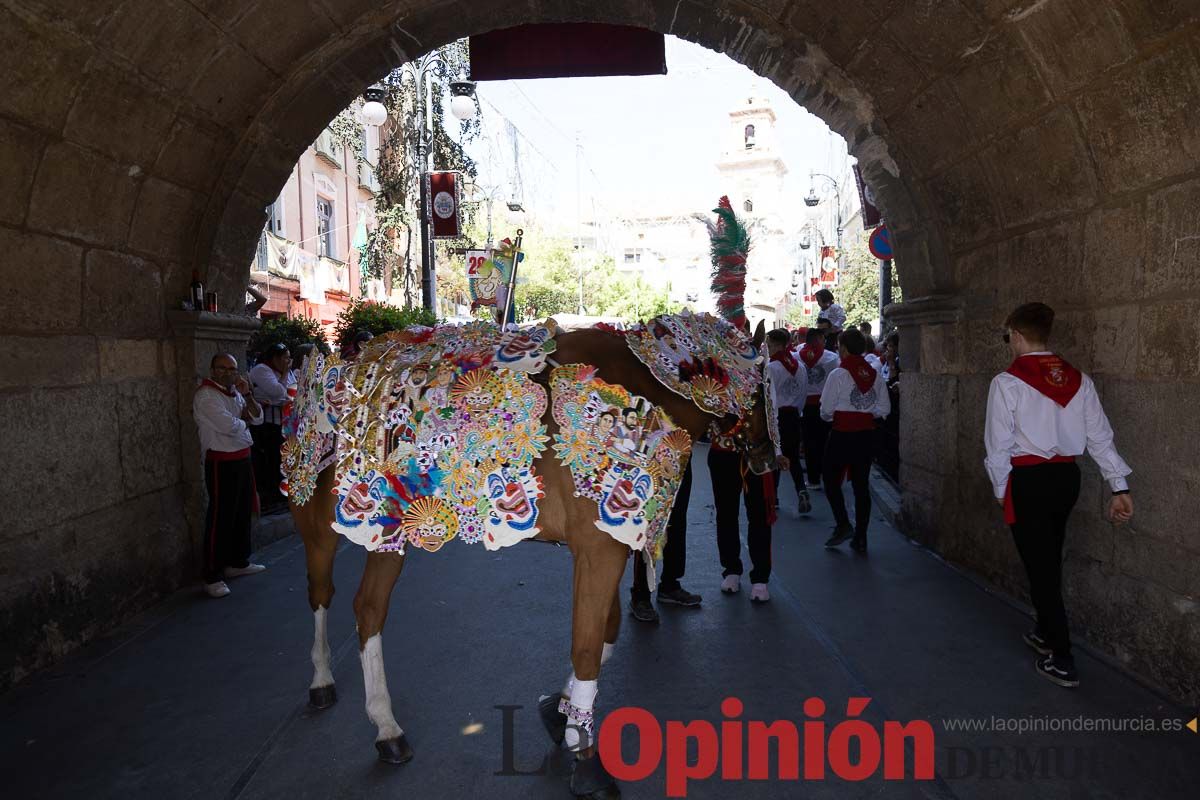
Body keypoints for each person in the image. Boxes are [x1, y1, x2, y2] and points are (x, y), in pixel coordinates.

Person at [984, 302, 1133, 689]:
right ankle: (1045, 630)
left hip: (1028, 480)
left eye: (1008, 337)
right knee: (1048, 554)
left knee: (1041, 568)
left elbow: (998, 444)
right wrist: (1119, 485)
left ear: (1016, 334)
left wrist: (1001, 489)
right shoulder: (1078, 380)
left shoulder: (1007, 383)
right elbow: (1100, 436)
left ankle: (1062, 657)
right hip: (1066, 477)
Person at [194, 354, 267, 598]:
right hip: (221, 462)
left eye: (232, 369)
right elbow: (229, 426)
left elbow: (257, 418)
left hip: (242, 457)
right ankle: (211, 574)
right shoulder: (206, 396)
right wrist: (243, 419)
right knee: (220, 517)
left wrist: (247, 396)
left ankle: (237, 561)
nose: (227, 373)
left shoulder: (236, 393)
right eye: (221, 368)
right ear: (212, 369)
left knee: (241, 512)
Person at [820, 328, 890, 553]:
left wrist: (844, 415)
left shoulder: (838, 375)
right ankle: (861, 536)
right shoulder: (875, 375)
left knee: (831, 481)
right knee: (861, 486)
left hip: (842, 435)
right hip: (866, 436)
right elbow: (884, 408)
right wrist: (866, 413)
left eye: (840, 346)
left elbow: (826, 411)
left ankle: (842, 523)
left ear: (844, 347)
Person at [709, 424, 787, 603]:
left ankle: (760, 577)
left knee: (759, 515)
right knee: (726, 512)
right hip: (723, 449)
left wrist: (777, 450)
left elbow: (770, 412)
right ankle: (731, 569)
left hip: (758, 452)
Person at [629, 457, 701, 623]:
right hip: (652, 454)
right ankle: (640, 596)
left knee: (677, 519)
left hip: (681, 452)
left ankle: (670, 584)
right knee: (649, 524)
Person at [766, 328, 811, 513]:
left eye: (769, 345)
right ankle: (801, 490)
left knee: (776, 455)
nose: (767, 348)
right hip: (793, 414)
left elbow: (768, 395)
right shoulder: (799, 366)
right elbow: (803, 393)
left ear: (777, 345)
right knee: (792, 455)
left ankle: (774, 497)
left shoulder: (770, 367)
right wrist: (797, 410)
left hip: (777, 416)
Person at [250, 342, 291, 514]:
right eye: (285, 358)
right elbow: (279, 392)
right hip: (268, 423)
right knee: (272, 457)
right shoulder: (262, 370)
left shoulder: (277, 371)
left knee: (281, 456)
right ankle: (274, 494)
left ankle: (280, 492)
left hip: (281, 422)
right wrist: (286, 373)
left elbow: (291, 388)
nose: (288, 361)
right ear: (275, 358)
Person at [798, 327, 840, 490]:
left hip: (805, 405)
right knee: (824, 441)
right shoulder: (832, 358)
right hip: (825, 403)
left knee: (809, 442)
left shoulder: (797, 356)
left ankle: (813, 479)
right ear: (820, 339)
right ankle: (827, 475)